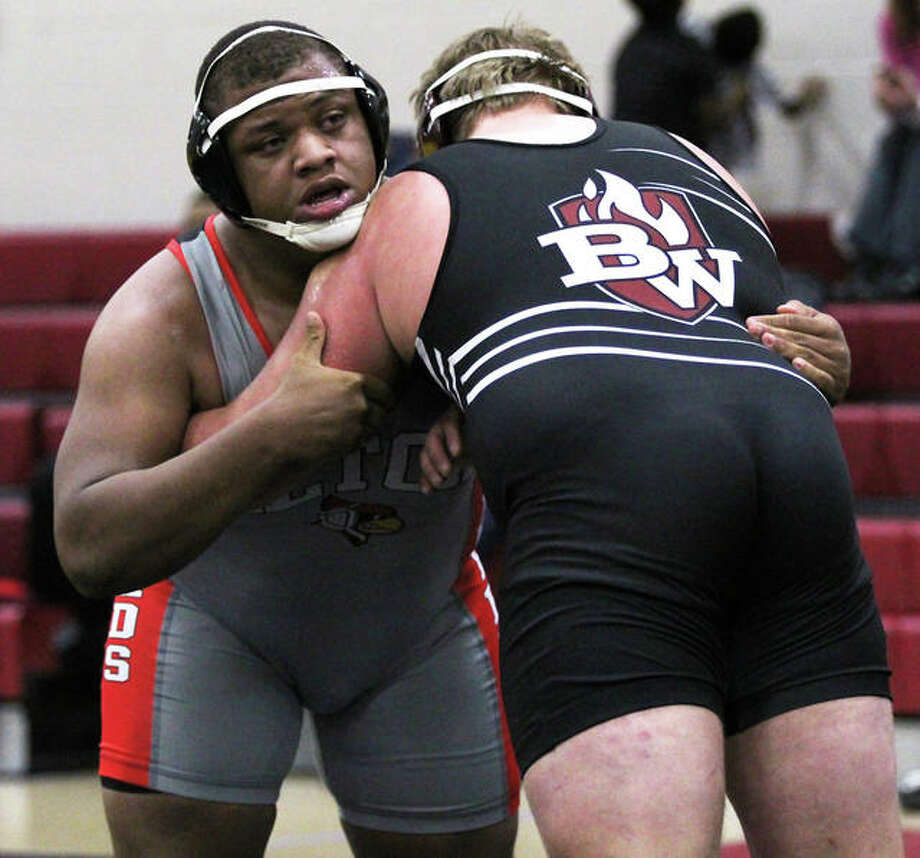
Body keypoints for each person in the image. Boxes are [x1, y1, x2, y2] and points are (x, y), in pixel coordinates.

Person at [250, 23, 902, 857]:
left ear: (443, 128)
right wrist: (478, 396)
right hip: (798, 486)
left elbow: (303, 408)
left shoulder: (423, 188)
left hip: (616, 508)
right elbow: (744, 342)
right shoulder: (693, 161)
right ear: (577, 105)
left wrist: (447, 391)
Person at [53, 21, 519, 858]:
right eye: (271, 141)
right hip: (216, 626)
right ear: (222, 176)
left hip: (416, 628)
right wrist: (269, 436)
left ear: (375, 133)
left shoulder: (464, 249)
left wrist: (506, 406)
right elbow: (87, 544)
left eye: (334, 122)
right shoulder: (164, 311)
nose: (313, 154)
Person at [841, 0, 920, 299]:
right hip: (911, 123)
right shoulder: (893, 23)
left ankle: (906, 259)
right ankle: (870, 254)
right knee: (893, 145)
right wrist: (891, 97)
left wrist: (913, 101)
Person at [705, 6, 827, 174]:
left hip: (719, 155)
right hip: (705, 147)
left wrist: (807, 94)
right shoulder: (697, 60)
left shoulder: (747, 70)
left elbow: (786, 106)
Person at [610, 0, 732, 153]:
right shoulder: (689, 51)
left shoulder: (629, 53)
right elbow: (712, 115)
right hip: (680, 158)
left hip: (630, 154)